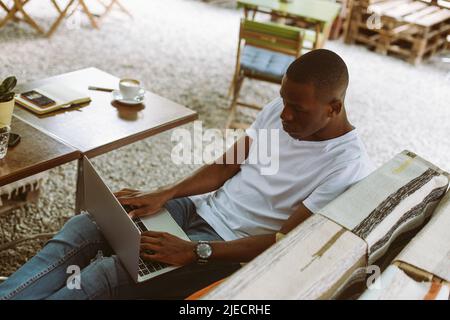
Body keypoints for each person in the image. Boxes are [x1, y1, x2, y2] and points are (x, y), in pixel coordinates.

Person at [0, 49, 374, 300]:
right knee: (88, 225)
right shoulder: (281, 108)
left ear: (334, 107)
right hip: (197, 209)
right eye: (284, 102)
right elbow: (227, 166)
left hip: (227, 248)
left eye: (297, 109)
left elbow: (283, 241)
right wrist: (165, 194)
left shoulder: (346, 164)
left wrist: (197, 252)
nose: (285, 115)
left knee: (108, 273)